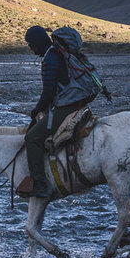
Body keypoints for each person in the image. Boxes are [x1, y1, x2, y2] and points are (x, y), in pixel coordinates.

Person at [22, 25, 87, 198]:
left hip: (66, 107)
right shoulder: (53, 54)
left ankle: (40, 183)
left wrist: (36, 110)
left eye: (30, 44)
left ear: (37, 42)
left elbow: (49, 91)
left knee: (32, 137)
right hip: (70, 102)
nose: (30, 48)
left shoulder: (51, 57)